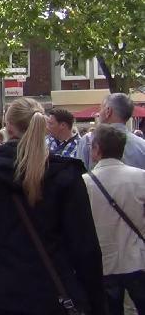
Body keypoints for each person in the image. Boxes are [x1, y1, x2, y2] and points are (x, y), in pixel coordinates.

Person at [0, 98, 106, 315]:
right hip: (53, 289)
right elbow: (84, 245)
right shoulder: (66, 174)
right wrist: (95, 300)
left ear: (8, 126)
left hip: (2, 290)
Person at [82, 124, 145, 315]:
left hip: (104, 263)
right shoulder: (141, 178)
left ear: (97, 149)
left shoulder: (85, 183)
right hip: (138, 259)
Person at [78, 93, 145, 170]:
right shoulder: (142, 145)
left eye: (101, 109)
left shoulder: (88, 141)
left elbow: (79, 177)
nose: (98, 113)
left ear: (108, 111)